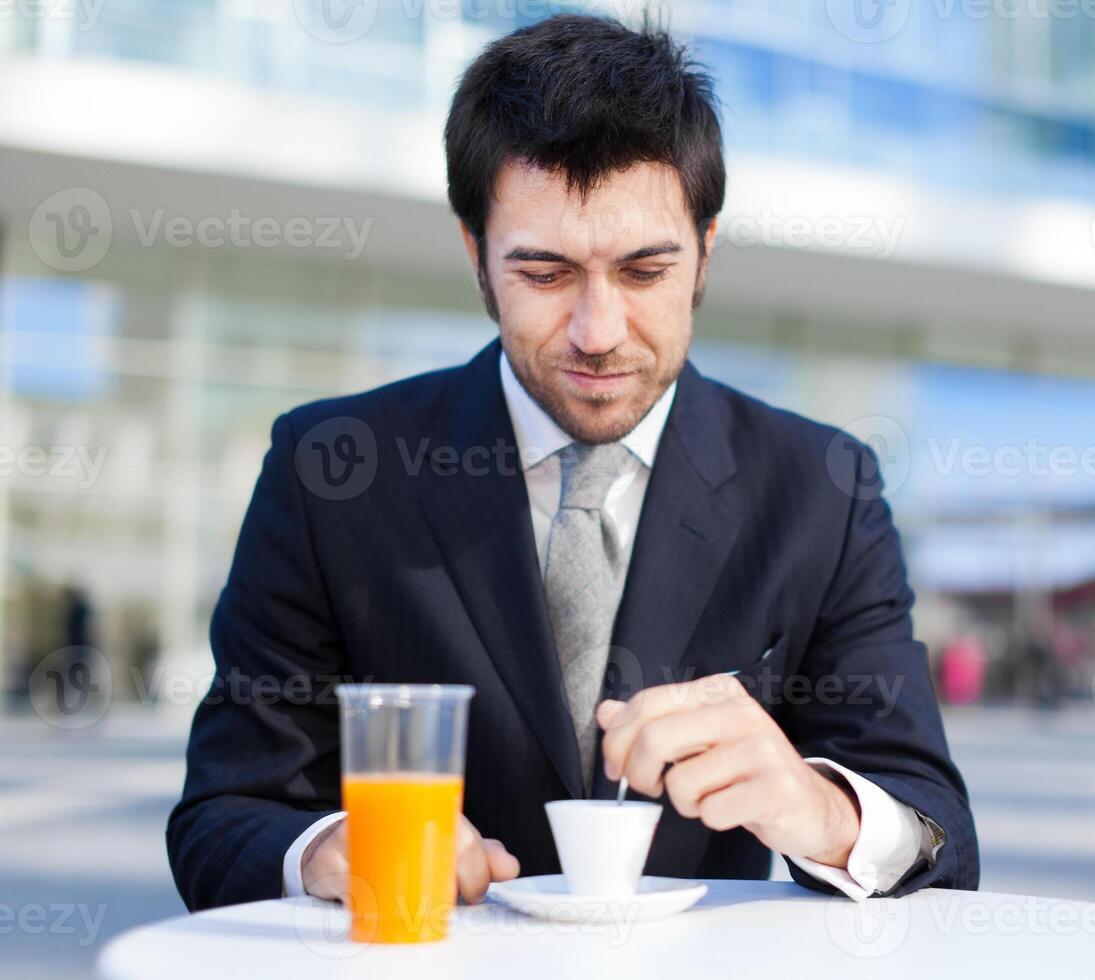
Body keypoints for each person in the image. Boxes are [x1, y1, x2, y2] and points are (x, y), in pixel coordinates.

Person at [167, 13, 977, 912]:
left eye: (643, 272)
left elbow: (939, 836)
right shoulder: (328, 475)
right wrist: (326, 848)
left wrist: (819, 809)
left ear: (705, 254)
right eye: (545, 274)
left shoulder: (824, 490)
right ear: (477, 258)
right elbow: (221, 816)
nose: (598, 334)